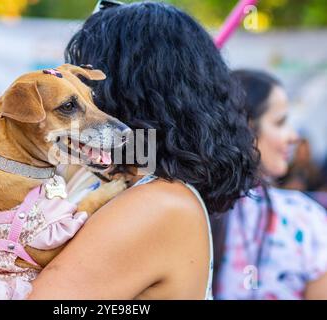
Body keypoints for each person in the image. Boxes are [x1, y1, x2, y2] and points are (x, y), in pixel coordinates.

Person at [27, 2, 259, 299]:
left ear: (124, 94)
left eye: (86, 80)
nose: (75, 92)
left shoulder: (159, 204)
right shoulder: (113, 182)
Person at [212, 69, 327, 300]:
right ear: (246, 130)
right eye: (280, 122)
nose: (293, 136)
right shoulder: (303, 218)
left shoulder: (188, 207)